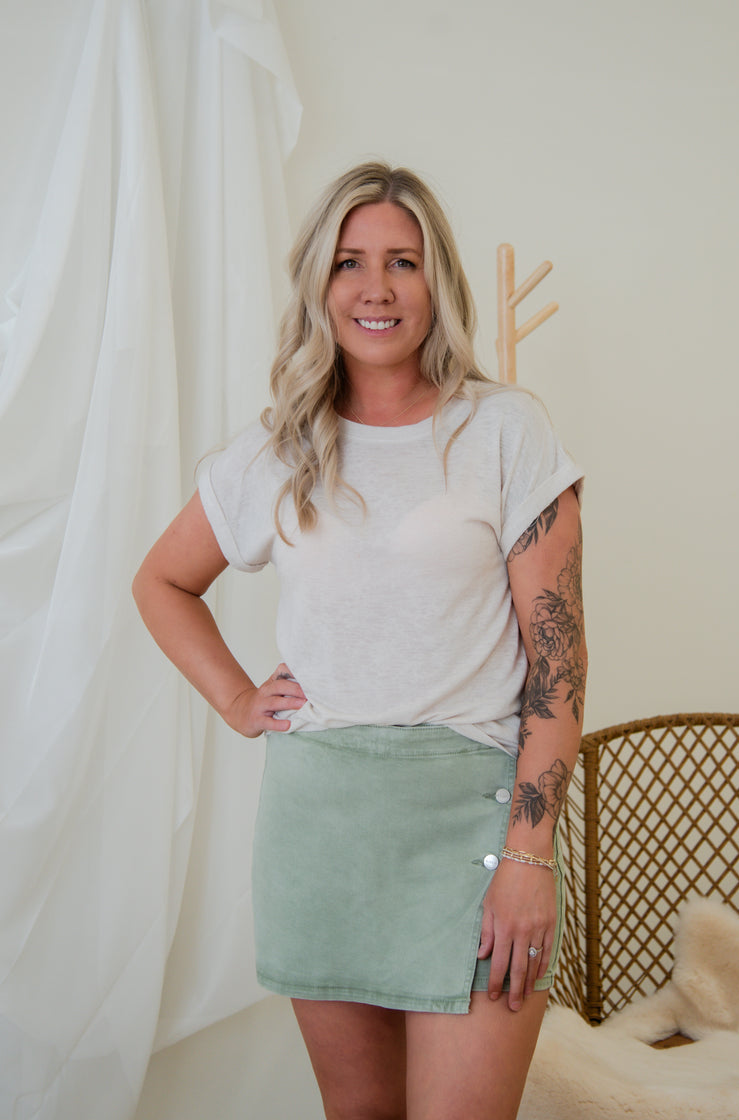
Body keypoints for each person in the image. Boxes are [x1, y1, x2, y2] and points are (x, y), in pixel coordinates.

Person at [133, 161, 586, 1120]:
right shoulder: (278, 451)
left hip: (474, 831)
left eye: (402, 262)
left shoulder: (505, 431)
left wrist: (530, 858)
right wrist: (236, 698)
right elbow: (162, 582)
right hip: (321, 833)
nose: (376, 288)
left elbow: (559, 669)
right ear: (319, 283)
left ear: (437, 280)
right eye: (350, 262)